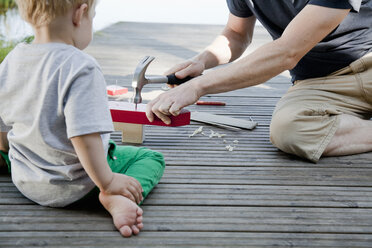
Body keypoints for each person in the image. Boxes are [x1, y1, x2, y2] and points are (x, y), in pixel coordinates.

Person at [0, 0, 165, 237]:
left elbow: (3, 127)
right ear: (80, 14)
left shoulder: (11, 61)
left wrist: (5, 151)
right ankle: (114, 198)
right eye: (93, 16)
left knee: (12, 146)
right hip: (74, 186)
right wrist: (107, 181)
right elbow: (83, 136)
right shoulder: (81, 67)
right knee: (150, 158)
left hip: (25, 177)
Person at [146, 0, 372, 163]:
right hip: (320, 82)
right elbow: (236, 34)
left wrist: (197, 87)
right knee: (290, 130)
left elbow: (286, 53)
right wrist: (202, 61)